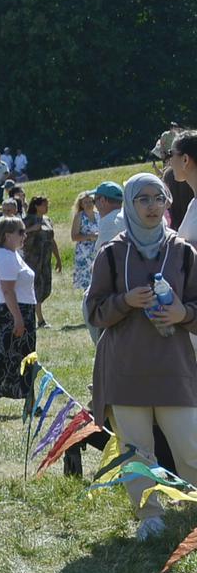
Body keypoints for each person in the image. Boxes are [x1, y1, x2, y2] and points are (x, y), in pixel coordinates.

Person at [87, 172, 197, 540]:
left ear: (167, 202)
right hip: (125, 368)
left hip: (173, 367)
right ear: (130, 205)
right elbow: (94, 311)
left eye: (158, 198)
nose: (152, 206)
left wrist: (184, 314)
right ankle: (149, 514)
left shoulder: (182, 252)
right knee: (136, 450)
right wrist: (125, 301)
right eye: (143, 199)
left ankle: (194, 505)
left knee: (190, 446)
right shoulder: (113, 253)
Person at [0, 217, 38, 400]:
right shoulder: (5, 257)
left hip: (21, 309)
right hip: (12, 312)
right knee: (3, 357)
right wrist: (18, 318)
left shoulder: (12, 253)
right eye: (20, 232)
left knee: (20, 357)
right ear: (7, 235)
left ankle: (27, 396)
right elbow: (7, 291)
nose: (25, 235)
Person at [24, 196, 60, 330]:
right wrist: (32, 229)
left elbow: (52, 239)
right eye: (44, 205)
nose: (47, 207)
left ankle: (37, 316)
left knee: (45, 286)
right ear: (37, 206)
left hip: (45, 259)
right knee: (36, 287)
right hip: (32, 259)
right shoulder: (27, 221)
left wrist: (58, 258)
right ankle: (40, 320)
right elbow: (20, 235)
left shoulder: (47, 220)